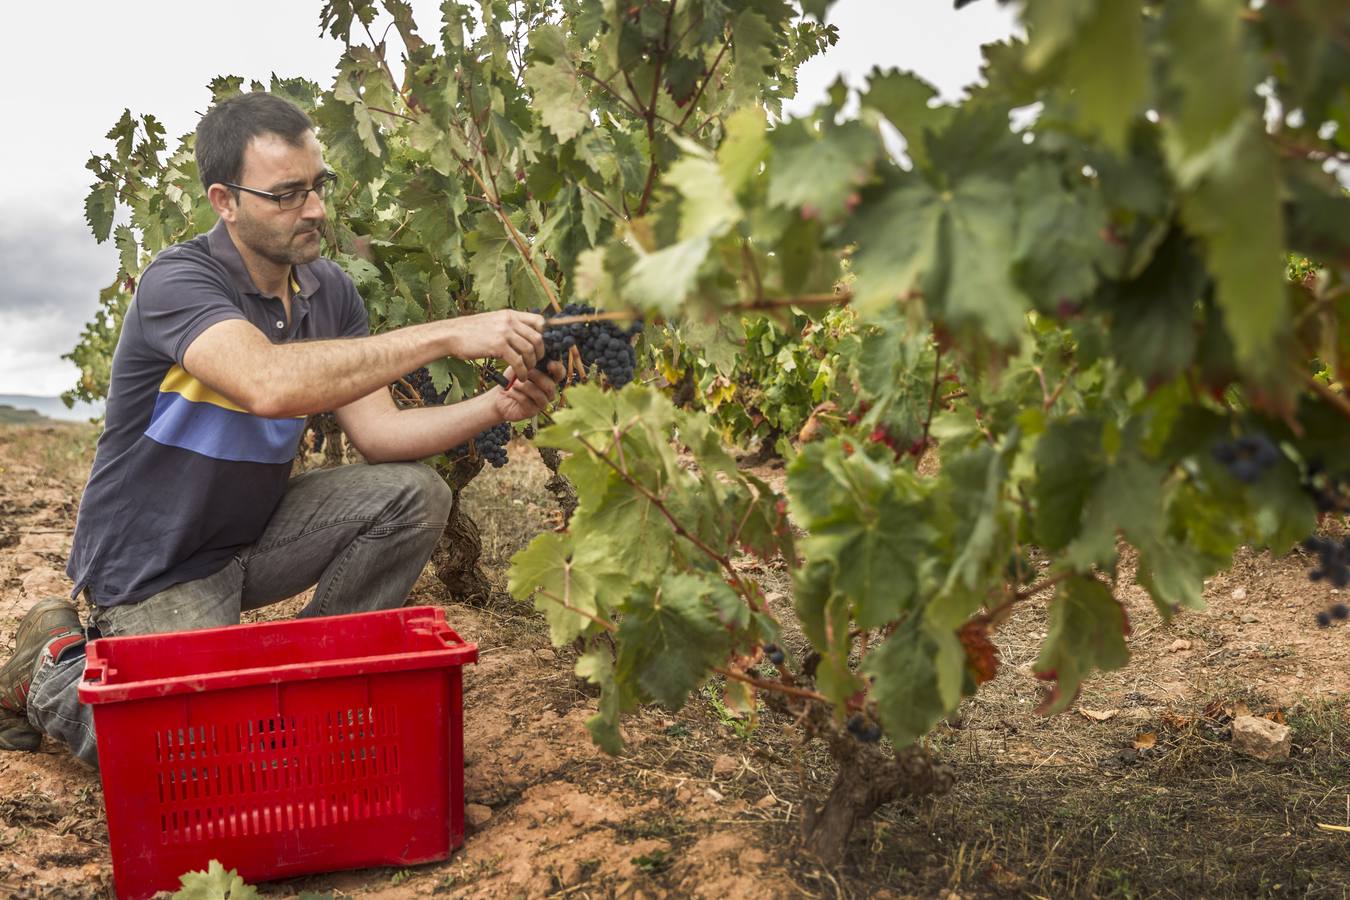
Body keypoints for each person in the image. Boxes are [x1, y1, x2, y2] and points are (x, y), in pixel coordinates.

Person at [0, 92, 563, 767]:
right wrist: (445, 334)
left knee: (413, 496)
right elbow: (268, 383)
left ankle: (299, 697)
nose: (316, 210)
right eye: (287, 194)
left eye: (318, 186)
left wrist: (498, 409)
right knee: (182, 755)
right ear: (225, 201)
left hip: (252, 534)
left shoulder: (330, 294)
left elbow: (379, 435)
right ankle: (52, 667)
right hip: (156, 567)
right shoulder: (179, 281)